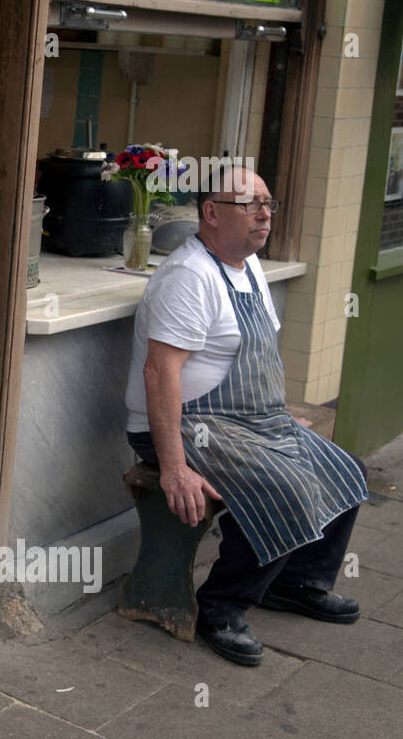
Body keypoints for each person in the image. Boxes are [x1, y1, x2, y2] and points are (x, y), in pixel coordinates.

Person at [124, 165, 367, 666]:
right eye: (250, 204)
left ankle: (297, 583)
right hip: (186, 424)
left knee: (346, 471)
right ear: (211, 213)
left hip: (251, 420)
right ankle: (220, 607)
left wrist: (276, 416)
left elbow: (258, 354)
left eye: (268, 204)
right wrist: (173, 468)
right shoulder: (188, 278)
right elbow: (159, 375)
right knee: (287, 489)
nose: (264, 214)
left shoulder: (247, 265)